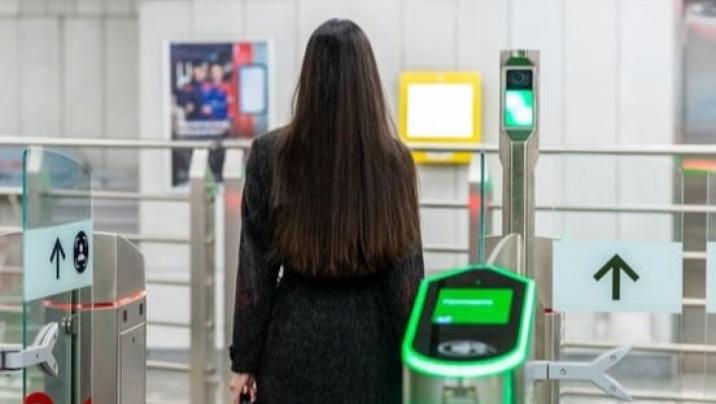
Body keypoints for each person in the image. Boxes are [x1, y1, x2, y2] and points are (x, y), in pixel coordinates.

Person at [229, 19, 424, 404]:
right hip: (373, 351)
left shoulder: (270, 155)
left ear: (309, 78)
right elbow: (407, 277)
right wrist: (419, 360)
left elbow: (255, 273)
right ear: (368, 82)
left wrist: (244, 362)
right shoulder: (394, 162)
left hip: (293, 343)